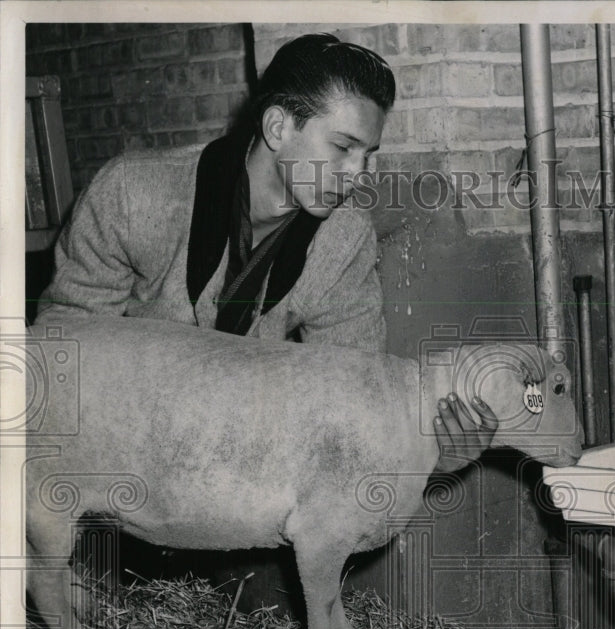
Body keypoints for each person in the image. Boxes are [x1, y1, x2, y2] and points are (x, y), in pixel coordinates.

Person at [35, 32, 495, 469]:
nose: (358, 174)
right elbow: (64, 350)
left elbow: (357, 399)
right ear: (278, 126)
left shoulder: (345, 239)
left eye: (367, 154)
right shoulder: (132, 194)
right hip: (119, 459)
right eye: (342, 147)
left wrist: (433, 454)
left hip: (244, 474)